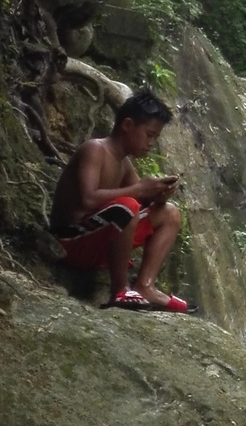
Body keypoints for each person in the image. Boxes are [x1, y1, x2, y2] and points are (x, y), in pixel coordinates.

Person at [49, 89, 188, 312]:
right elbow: (86, 199)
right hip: (71, 243)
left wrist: (157, 196)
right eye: (149, 134)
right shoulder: (95, 149)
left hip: (100, 243)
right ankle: (120, 289)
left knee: (169, 212)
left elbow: (141, 202)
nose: (151, 143)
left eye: (156, 137)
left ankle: (145, 286)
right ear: (127, 125)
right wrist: (141, 189)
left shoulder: (124, 164)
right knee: (127, 206)